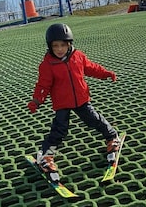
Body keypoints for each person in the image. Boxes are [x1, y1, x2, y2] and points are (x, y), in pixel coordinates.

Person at [27, 23, 120, 173]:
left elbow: (91, 68)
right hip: (62, 103)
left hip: (81, 99)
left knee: (94, 119)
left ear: (69, 44)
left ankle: (112, 137)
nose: (59, 49)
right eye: (55, 45)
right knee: (59, 130)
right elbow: (43, 85)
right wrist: (36, 101)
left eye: (62, 45)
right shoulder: (48, 64)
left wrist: (105, 73)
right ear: (50, 46)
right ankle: (46, 156)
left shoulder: (78, 56)